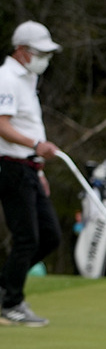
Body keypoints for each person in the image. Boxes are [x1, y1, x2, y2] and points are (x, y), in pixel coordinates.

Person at [0, 21, 63, 327]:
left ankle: (3, 288)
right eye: (40, 53)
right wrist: (37, 145)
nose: (45, 59)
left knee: (49, 236)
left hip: (29, 168)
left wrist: (38, 168)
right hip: (10, 167)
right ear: (22, 51)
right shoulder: (6, 78)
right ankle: (10, 303)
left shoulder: (27, 80)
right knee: (27, 238)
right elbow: (1, 126)